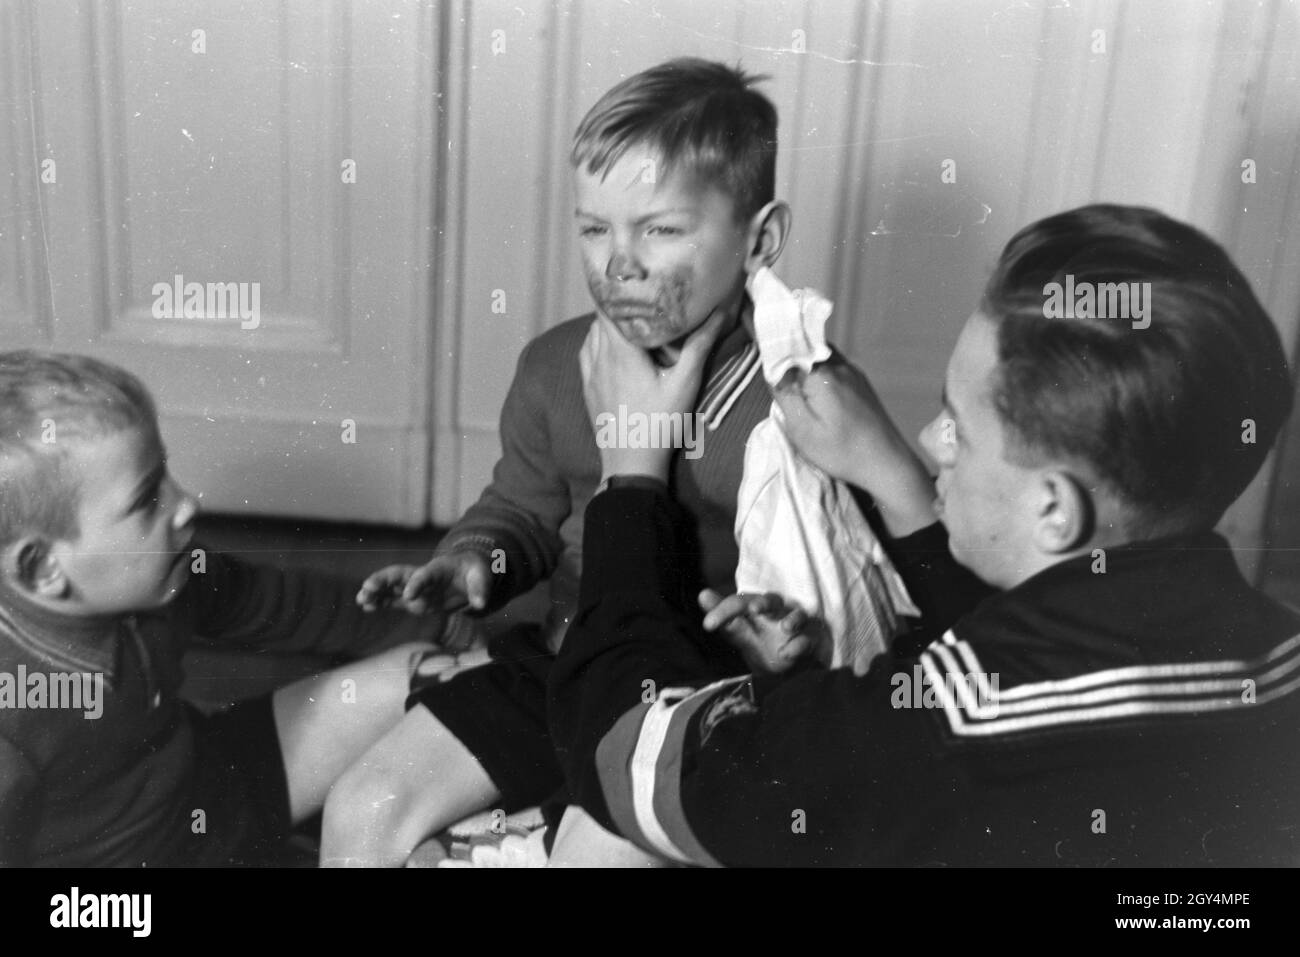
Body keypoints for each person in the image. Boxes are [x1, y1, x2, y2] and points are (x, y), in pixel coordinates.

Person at [550, 203, 1300, 866]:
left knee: (600, 836)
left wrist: (633, 481)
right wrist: (901, 488)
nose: (928, 438)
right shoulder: (1275, 654)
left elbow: (630, 753)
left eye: (958, 428)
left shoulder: (940, 730)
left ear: (1055, 511)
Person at [323, 58, 798, 866]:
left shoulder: (789, 402)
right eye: (594, 228)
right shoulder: (556, 368)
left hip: (699, 701)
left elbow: (828, 587)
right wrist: (476, 561)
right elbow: (521, 511)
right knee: (363, 804)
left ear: (760, 240)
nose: (619, 263)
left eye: (661, 229)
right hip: (560, 669)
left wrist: (783, 622)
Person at [0, 351, 437, 866]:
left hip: (212, 792)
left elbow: (276, 603)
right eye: (146, 500)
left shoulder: (164, 574)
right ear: (42, 569)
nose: (186, 503)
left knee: (432, 674)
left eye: (165, 474)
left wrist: (434, 619)